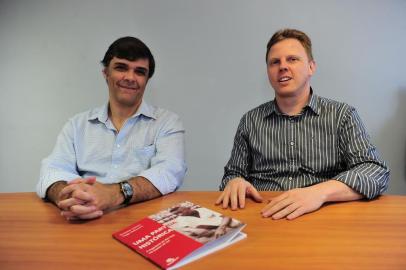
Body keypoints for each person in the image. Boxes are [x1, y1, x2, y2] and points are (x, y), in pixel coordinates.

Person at [216, 28, 389, 220]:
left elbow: (375, 172)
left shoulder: (342, 115)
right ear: (268, 71)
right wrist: (235, 181)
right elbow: (232, 175)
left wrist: (319, 193)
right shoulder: (250, 121)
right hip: (264, 215)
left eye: (292, 59)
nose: (282, 66)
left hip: (324, 217)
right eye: (275, 62)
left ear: (311, 67)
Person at [37, 37, 187, 221]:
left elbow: (170, 171)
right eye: (121, 67)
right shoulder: (77, 125)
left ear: (147, 80)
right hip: (82, 218)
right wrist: (70, 196)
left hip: (143, 220)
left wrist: (112, 194)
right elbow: (52, 170)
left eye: (139, 72)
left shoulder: (167, 122)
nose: (130, 77)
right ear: (105, 73)